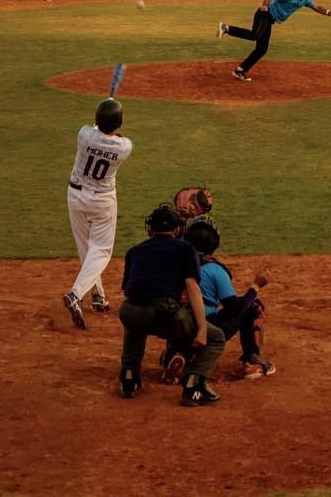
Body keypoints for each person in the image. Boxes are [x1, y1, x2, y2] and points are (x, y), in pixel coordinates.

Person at [118, 203, 226, 406]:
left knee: (134, 322)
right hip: (167, 314)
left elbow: (129, 289)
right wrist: (202, 329)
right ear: (177, 229)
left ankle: (129, 376)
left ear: (151, 228)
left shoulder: (134, 251)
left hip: (130, 311)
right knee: (216, 337)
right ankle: (194, 385)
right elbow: (192, 288)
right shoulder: (185, 249)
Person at [62, 98, 133, 330]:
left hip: (76, 196)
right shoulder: (124, 147)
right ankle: (76, 294)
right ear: (119, 122)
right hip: (102, 201)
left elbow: (88, 129)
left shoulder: (84, 135)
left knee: (86, 248)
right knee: (101, 251)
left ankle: (98, 296)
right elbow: (115, 137)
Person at [176, 215, 275, 380]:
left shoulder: (175, 264)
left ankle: (178, 354)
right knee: (252, 306)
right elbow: (234, 309)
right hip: (205, 328)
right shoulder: (215, 270)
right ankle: (252, 361)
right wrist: (256, 286)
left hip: (175, 326)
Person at [218, 0, 331, 82]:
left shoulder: (305, 0)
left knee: (262, 49)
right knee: (255, 35)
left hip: (270, 20)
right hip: (265, 14)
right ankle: (227, 28)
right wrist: (264, 6)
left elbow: (317, 7)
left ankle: (240, 70)